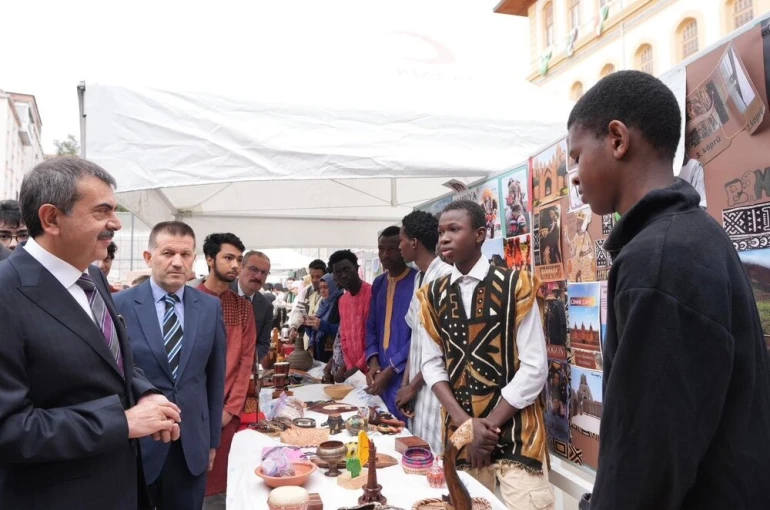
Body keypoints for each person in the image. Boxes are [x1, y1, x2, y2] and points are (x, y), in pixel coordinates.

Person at [569, 70, 770, 509]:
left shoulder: (658, 259)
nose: (574, 177)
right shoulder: (690, 236)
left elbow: (647, 457)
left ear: (617, 140)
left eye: (577, 156)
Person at [0, 157, 181, 510]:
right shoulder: (6, 294)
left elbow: (112, 359)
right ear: (51, 219)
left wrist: (145, 394)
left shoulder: (92, 277)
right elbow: (9, 428)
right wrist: (122, 422)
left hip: (121, 487)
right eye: (101, 212)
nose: (115, 223)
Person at [417, 200, 553, 509]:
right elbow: (431, 364)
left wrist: (487, 426)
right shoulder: (432, 295)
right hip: (462, 437)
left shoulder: (516, 285)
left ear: (480, 234)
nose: (444, 238)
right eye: (441, 232)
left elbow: (534, 368)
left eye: (454, 229)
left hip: (518, 434)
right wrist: (467, 426)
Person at [114, 221, 226, 510]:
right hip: (139, 443)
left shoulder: (209, 308)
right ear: (149, 257)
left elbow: (214, 379)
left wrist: (212, 440)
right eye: (167, 253)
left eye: (186, 255)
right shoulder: (120, 306)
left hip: (192, 445)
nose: (177, 262)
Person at [197, 233, 256, 508]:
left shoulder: (243, 307)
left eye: (239, 260)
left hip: (226, 414)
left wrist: (230, 410)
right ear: (210, 259)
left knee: (221, 491)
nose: (235, 265)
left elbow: (246, 363)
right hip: (191, 412)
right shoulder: (189, 300)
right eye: (228, 258)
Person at [395, 210, 452, 455]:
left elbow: (444, 346)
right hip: (417, 391)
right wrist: (406, 385)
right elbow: (415, 338)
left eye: (401, 240)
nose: (399, 246)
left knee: (437, 459)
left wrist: (413, 386)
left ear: (414, 242)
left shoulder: (445, 278)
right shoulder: (420, 277)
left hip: (436, 390)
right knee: (418, 456)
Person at [365, 226, 416, 421]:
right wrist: (373, 361)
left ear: (403, 248)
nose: (385, 255)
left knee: (401, 431)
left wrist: (391, 369)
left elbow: (418, 337)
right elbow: (371, 324)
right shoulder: (379, 283)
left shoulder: (417, 282)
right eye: (381, 249)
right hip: (379, 374)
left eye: (392, 249)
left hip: (404, 375)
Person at [327, 250, 371, 383]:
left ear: (357, 268)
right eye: (338, 273)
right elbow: (344, 339)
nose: (343, 275)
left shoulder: (373, 294)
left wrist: (357, 368)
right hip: (352, 375)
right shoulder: (342, 301)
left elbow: (376, 339)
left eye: (346, 269)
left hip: (372, 372)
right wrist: (345, 367)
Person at [233, 250, 274, 364]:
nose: (258, 276)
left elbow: (263, 344)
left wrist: (246, 363)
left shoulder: (266, 306)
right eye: (254, 269)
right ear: (240, 267)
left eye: (264, 272)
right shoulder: (220, 294)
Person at [288, 259, 327, 348]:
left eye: (318, 277)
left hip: (324, 338)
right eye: (312, 277)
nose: (314, 280)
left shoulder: (329, 292)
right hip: (308, 337)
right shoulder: (306, 291)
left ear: (325, 276)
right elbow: (298, 310)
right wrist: (293, 327)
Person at [307, 273, 342, 363]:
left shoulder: (340, 302)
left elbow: (343, 330)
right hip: (320, 352)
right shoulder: (322, 304)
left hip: (334, 354)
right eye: (320, 287)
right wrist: (308, 324)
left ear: (333, 286)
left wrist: (322, 325)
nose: (322, 291)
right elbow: (314, 332)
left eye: (326, 287)